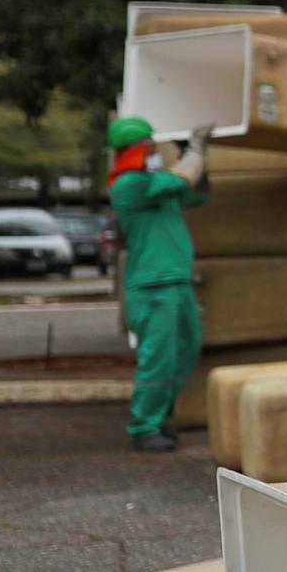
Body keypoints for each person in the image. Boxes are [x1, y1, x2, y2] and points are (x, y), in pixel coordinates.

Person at [108, 116, 213, 453]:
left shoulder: (159, 186)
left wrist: (197, 158)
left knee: (186, 349)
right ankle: (144, 426)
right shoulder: (129, 185)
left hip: (176, 282)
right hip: (152, 286)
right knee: (158, 359)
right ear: (136, 150)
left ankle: (160, 415)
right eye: (150, 146)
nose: (154, 151)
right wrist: (194, 150)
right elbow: (182, 177)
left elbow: (198, 190)